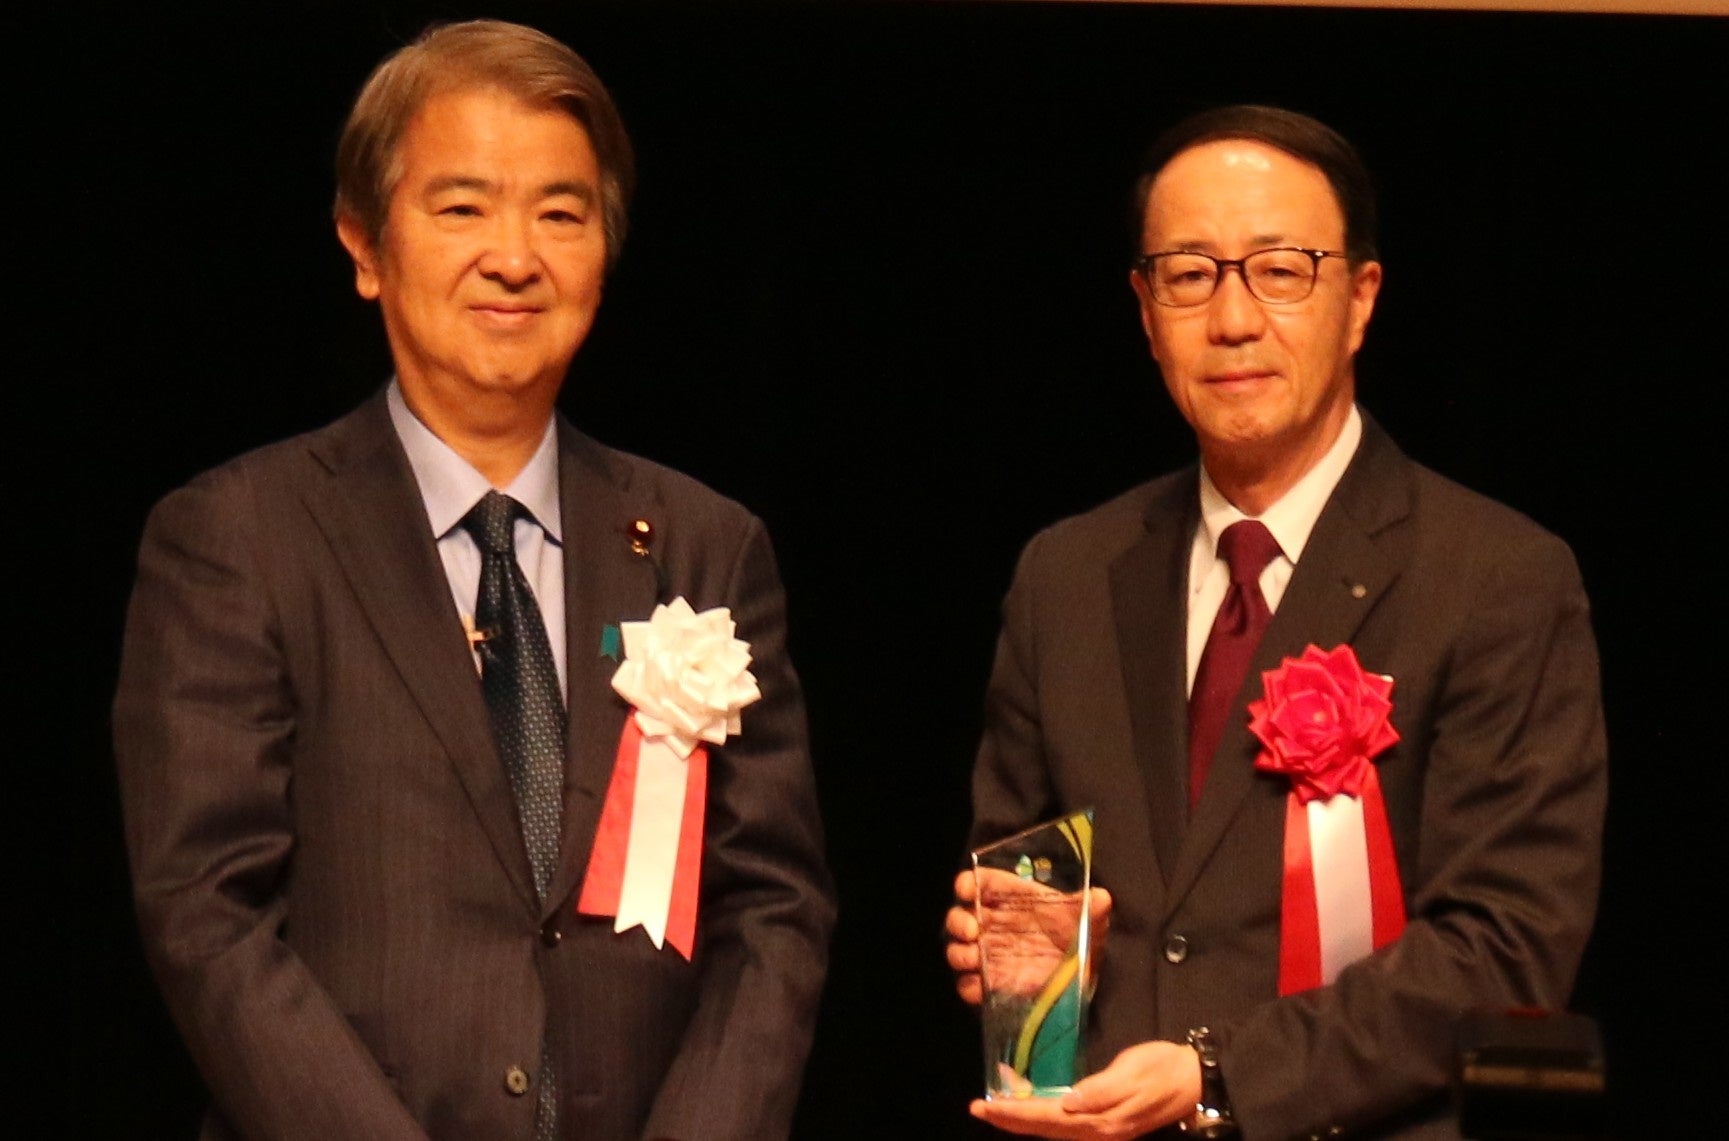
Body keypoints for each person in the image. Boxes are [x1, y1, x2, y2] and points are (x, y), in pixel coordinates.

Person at [113, 19, 834, 1141]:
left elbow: (774, 911)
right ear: (365, 245)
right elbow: (206, 914)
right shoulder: (237, 537)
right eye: (463, 209)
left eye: (560, 214)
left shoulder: (704, 543)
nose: (514, 256)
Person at [945, 104, 1606, 1139]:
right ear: (1144, 309)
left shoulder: (1495, 578)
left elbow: (1504, 946)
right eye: (1189, 273)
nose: (1233, 319)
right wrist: (1031, 956)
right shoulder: (1064, 575)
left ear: (1360, 297)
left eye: (1279, 270)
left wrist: (1219, 1073)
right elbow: (1019, 879)